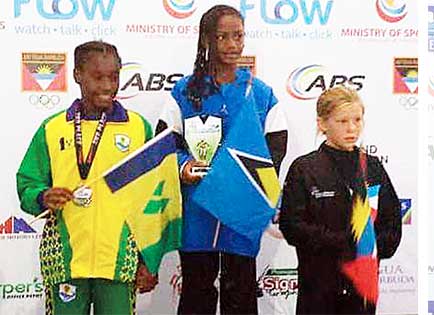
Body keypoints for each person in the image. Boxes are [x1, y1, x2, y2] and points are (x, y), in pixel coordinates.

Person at [156, 5, 288, 315]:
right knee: (197, 292)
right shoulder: (185, 92)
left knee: (241, 293)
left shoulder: (261, 94)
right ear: (206, 40)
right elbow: (163, 143)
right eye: (223, 37)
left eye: (238, 36)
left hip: (240, 211)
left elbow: (275, 150)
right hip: (198, 209)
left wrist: (245, 183)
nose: (232, 45)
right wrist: (182, 166)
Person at [16, 40, 158, 314]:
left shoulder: (139, 129)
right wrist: (43, 196)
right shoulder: (53, 128)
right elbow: (27, 183)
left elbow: (152, 199)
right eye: (98, 77)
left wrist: (148, 260)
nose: (107, 86)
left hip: (118, 261)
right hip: (66, 259)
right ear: (77, 75)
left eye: (114, 77)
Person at [279, 85, 401, 315]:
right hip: (319, 286)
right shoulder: (304, 169)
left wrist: (371, 249)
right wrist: (342, 244)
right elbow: (292, 226)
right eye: (342, 121)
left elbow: (392, 222)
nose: (352, 128)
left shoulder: (372, 167)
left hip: (361, 287)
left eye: (357, 119)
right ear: (322, 124)